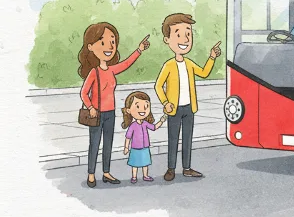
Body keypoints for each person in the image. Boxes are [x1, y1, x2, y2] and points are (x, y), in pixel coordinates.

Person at [78, 22, 151, 188]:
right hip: (96, 114)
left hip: (110, 113)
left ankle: (106, 172)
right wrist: (91, 107)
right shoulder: (94, 72)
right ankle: (91, 174)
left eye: (112, 42)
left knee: (108, 144)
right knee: (94, 144)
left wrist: (139, 50)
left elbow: (126, 63)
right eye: (103, 42)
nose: (109, 46)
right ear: (91, 47)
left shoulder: (111, 70)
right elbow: (83, 93)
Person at [154, 13, 221, 182]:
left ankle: (187, 167)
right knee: (173, 139)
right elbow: (158, 85)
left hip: (189, 108)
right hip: (174, 109)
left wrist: (212, 57)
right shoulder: (169, 65)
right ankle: (170, 168)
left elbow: (204, 73)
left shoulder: (189, 63)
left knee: (187, 139)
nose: (184, 39)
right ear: (167, 40)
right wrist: (165, 102)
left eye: (188, 34)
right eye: (178, 34)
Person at [121, 91, 167, 183]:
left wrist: (161, 121)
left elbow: (154, 127)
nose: (142, 110)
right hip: (135, 148)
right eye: (137, 107)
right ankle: (134, 177)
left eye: (146, 107)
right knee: (135, 164)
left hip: (145, 147)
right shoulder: (133, 125)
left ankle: (145, 175)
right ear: (129, 110)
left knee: (145, 163)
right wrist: (126, 147)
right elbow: (128, 137)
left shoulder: (145, 123)